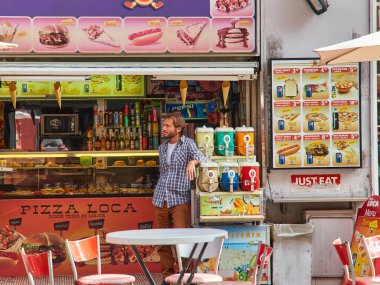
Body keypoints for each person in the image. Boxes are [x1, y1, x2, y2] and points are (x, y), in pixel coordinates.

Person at [153, 112, 206, 284]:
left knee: (182, 241)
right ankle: (167, 276)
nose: (164, 128)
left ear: (178, 128)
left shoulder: (188, 144)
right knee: (162, 242)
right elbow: (164, 172)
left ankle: (185, 276)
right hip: (161, 197)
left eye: (167, 126)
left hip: (179, 199)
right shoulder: (162, 147)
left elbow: (201, 157)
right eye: (164, 125)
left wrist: (192, 162)